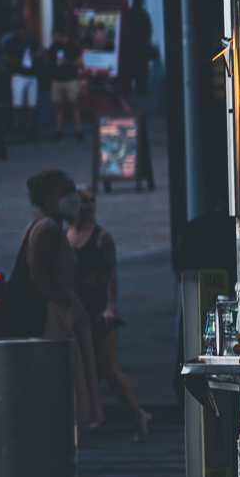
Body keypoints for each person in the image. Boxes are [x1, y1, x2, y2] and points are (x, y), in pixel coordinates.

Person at [0, 169, 105, 436]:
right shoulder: (48, 229)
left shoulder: (42, 225)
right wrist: (67, 304)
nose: (74, 199)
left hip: (59, 313)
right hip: (56, 318)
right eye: (66, 193)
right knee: (64, 383)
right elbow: (39, 275)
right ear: (49, 199)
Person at [68, 186, 153, 442]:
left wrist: (110, 307)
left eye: (92, 201)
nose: (89, 205)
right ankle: (82, 423)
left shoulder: (102, 237)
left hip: (99, 312)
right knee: (80, 371)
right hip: (78, 311)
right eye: (84, 201)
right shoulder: (66, 237)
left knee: (109, 369)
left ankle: (137, 416)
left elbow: (111, 274)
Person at [0, 22, 38, 136]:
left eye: (23, 30)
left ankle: (28, 124)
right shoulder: (11, 42)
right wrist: (16, 60)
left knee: (31, 102)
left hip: (31, 74)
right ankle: (16, 124)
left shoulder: (30, 40)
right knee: (17, 101)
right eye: (20, 30)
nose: (22, 32)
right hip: (18, 74)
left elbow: (39, 52)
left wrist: (35, 56)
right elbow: (5, 57)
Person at [46, 27, 84, 142]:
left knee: (74, 106)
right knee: (58, 107)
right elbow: (48, 61)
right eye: (54, 34)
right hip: (56, 80)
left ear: (63, 35)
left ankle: (78, 131)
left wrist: (68, 62)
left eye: (57, 34)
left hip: (70, 80)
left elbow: (80, 63)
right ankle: (58, 131)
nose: (55, 36)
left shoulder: (72, 47)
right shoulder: (53, 47)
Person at [121, 0, 153, 96]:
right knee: (141, 70)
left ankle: (128, 89)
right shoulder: (144, 15)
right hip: (141, 46)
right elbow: (148, 30)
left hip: (130, 46)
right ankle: (141, 89)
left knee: (129, 70)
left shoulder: (129, 14)